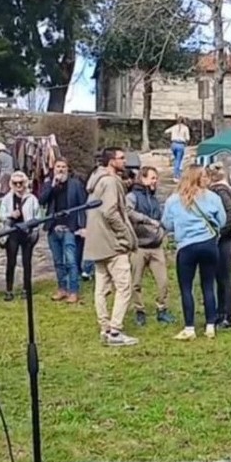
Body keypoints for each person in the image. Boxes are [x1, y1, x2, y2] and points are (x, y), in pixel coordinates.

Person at [161, 165, 226, 341]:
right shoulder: (212, 197)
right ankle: (210, 325)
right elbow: (222, 220)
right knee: (208, 284)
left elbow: (166, 224)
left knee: (186, 288)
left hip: (186, 246)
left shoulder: (174, 200)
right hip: (208, 243)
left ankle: (189, 327)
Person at [83, 147, 139, 346]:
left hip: (97, 243)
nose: (125, 161)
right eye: (121, 158)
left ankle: (104, 328)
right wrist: (125, 234)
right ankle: (114, 331)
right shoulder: (110, 181)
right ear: (111, 161)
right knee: (124, 287)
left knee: (101, 288)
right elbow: (110, 212)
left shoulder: (96, 180)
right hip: (112, 243)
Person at [126, 166, 175, 327]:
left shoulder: (154, 199)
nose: (156, 181)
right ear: (143, 178)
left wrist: (163, 231)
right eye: (153, 178)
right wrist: (146, 220)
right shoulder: (132, 196)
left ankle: (162, 309)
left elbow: (161, 218)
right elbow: (127, 212)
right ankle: (139, 310)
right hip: (139, 246)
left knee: (163, 282)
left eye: (156, 178)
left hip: (156, 246)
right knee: (136, 282)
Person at [40, 158, 87, 304]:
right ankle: (62, 289)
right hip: (54, 228)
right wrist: (52, 186)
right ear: (54, 169)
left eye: (63, 167)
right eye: (58, 167)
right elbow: (41, 201)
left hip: (70, 228)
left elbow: (83, 206)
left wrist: (83, 227)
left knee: (71, 261)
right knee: (58, 261)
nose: (60, 169)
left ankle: (73, 291)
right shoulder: (49, 184)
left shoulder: (75, 184)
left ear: (68, 169)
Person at [208, 165, 231, 330]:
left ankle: (227, 316)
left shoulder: (219, 190)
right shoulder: (223, 189)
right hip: (224, 240)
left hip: (223, 240)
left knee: (224, 279)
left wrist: (221, 231)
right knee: (221, 278)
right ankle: (222, 314)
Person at [0, 171, 39, 301]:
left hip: (26, 232)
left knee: (27, 262)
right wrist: (10, 214)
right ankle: (9, 290)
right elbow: (0, 214)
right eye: (15, 183)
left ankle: (26, 289)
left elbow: (37, 216)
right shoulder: (7, 198)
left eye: (20, 183)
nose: (18, 186)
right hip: (12, 232)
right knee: (11, 261)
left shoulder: (32, 199)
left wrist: (34, 229)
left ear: (25, 183)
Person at [164, 116, 190, 182]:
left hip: (174, 144)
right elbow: (188, 138)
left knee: (176, 159)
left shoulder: (174, 127)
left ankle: (177, 173)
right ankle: (177, 175)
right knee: (179, 160)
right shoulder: (185, 128)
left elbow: (166, 131)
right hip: (181, 144)